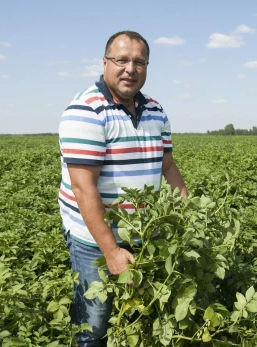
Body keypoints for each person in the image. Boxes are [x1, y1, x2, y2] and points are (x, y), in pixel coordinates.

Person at [57, 30, 188, 346]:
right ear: (104, 63)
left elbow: (167, 165)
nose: (131, 68)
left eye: (139, 62)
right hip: (95, 238)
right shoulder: (86, 110)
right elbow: (83, 187)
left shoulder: (156, 110)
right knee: (94, 323)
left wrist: (188, 211)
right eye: (122, 60)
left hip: (145, 233)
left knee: (142, 312)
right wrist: (111, 250)